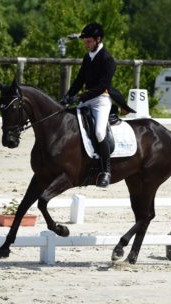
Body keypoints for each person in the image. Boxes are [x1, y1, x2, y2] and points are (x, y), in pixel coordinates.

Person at [60, 22, 115, 188]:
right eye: (85, 41)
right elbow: (79, 80)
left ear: (98, 40)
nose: (86, 44)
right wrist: (68, 96)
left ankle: (106, 171)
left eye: (89, 41)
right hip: (86, 99)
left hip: (101, 100)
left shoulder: (108, 60)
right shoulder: (88, 57)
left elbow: (102, 86)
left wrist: (82, 96)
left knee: (99, 132)